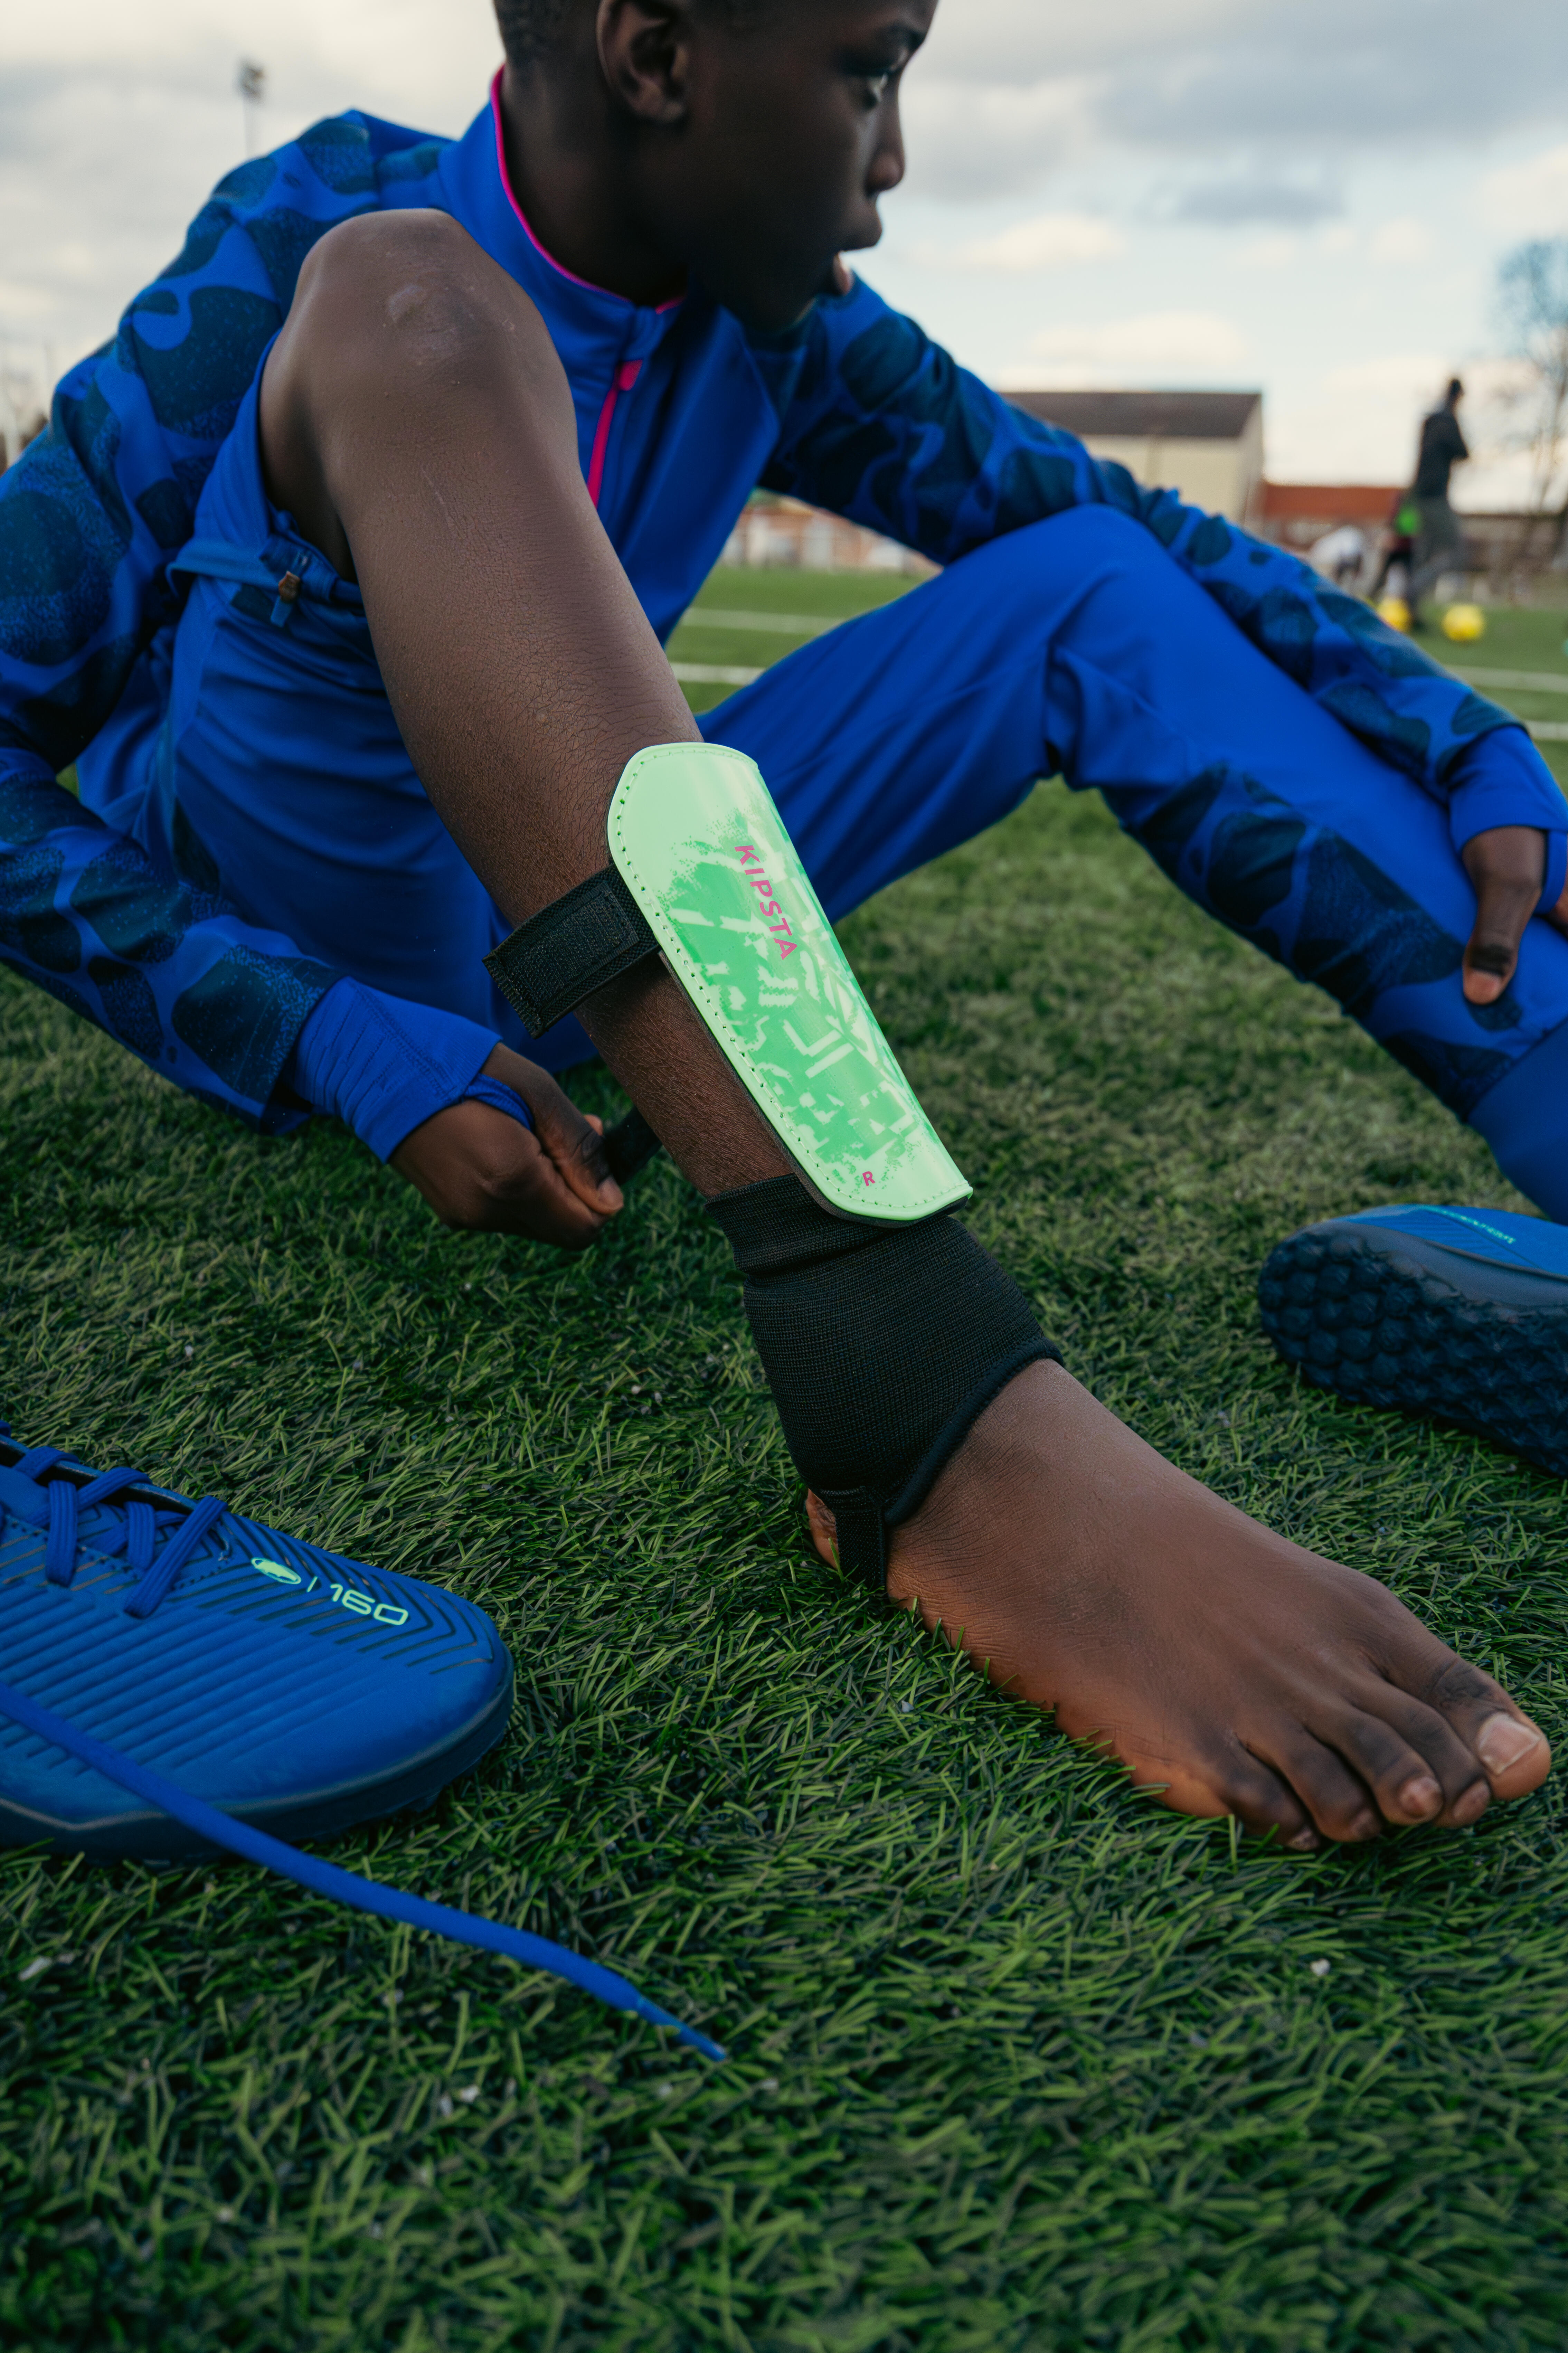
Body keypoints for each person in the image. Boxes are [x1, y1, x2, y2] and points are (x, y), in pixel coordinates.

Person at [2, 0, 1563, 1855]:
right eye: (869, 74)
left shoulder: (775, 319)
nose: (891, 168)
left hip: (594, 941)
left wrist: (1456, 732)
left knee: (1086, 584)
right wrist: (313, 1026)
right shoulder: (312, 234)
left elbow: (1119, 519)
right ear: (656, 53)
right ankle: (909, 1378)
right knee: (405, 302)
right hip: (322, 929)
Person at [1406, 378, 1470, 629]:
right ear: (1458, 396)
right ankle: (1411, 593)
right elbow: (1463, 451)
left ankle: (1412, 612)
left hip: (1419, 494)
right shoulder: (1447, 421)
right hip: (1435, 496)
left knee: (1425, 551)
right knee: (1453, 551)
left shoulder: (1430, 421)